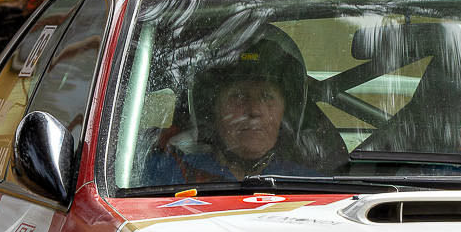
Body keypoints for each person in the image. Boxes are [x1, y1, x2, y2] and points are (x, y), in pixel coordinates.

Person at [140, 33, 337, 186]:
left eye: (267, 96)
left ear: (286, 110)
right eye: (239, 96)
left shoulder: (310, 185)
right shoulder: (166, 174)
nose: (254, 110)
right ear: (211, 108)